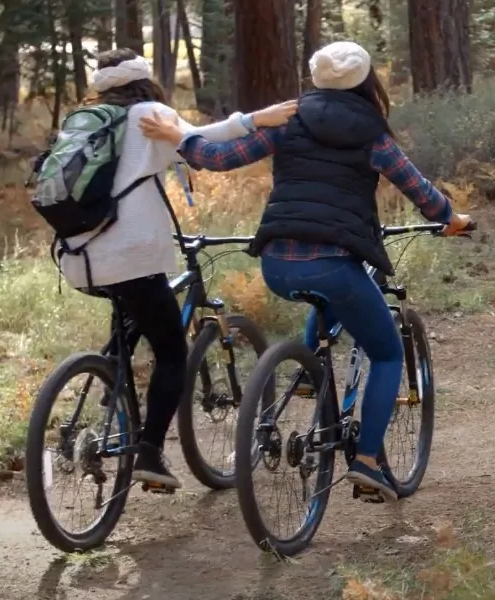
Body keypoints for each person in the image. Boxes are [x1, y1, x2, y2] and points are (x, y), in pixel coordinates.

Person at [139, 41, 472, 501]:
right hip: (336, 264)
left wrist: (177, 136)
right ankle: (369, 462)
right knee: (388, 352)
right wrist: (452, 219)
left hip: (277, 264)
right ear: (366, 81)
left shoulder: (288, 120)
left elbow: (217, 158)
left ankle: (312, 374)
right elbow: (421, 193)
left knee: (327, 300)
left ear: (315, 79)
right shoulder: (373, 135)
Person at [60, 48, 298, 490]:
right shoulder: (149, 112)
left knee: (128, 325)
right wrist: (256, 119)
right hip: (133, 254)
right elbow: (203, 142)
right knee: (171, 353)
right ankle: (148, 453)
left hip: (79, 256)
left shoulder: (83, 121)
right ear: (142, 79)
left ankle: (106, 395)